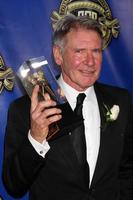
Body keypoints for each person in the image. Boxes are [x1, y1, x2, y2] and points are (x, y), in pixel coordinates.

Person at [2, 14, 133, 200]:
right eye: (80, 51)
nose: (90, 61)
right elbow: (13, 186)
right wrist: (36, 138)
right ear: (58, 55)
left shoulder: (120, 100)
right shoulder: (24, 109)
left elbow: (128, 168)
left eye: (96, 51)